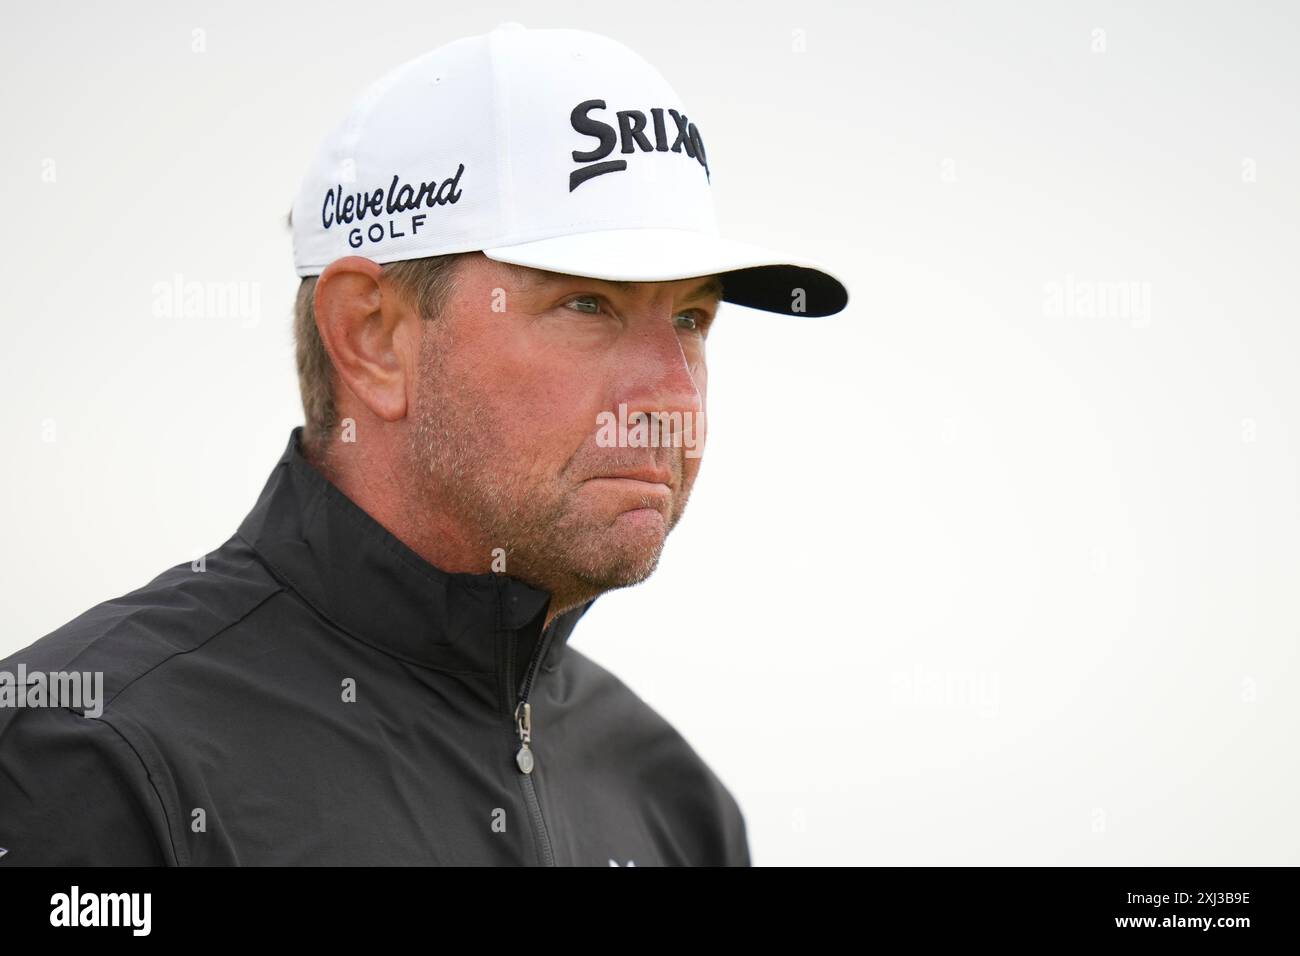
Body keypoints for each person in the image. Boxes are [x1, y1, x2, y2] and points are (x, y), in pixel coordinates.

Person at [0, 22, 848, 865]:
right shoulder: (86, 762)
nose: (673, 397)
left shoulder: (677, 805)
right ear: (372, 337)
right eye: (589, 305)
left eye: (693, 318)